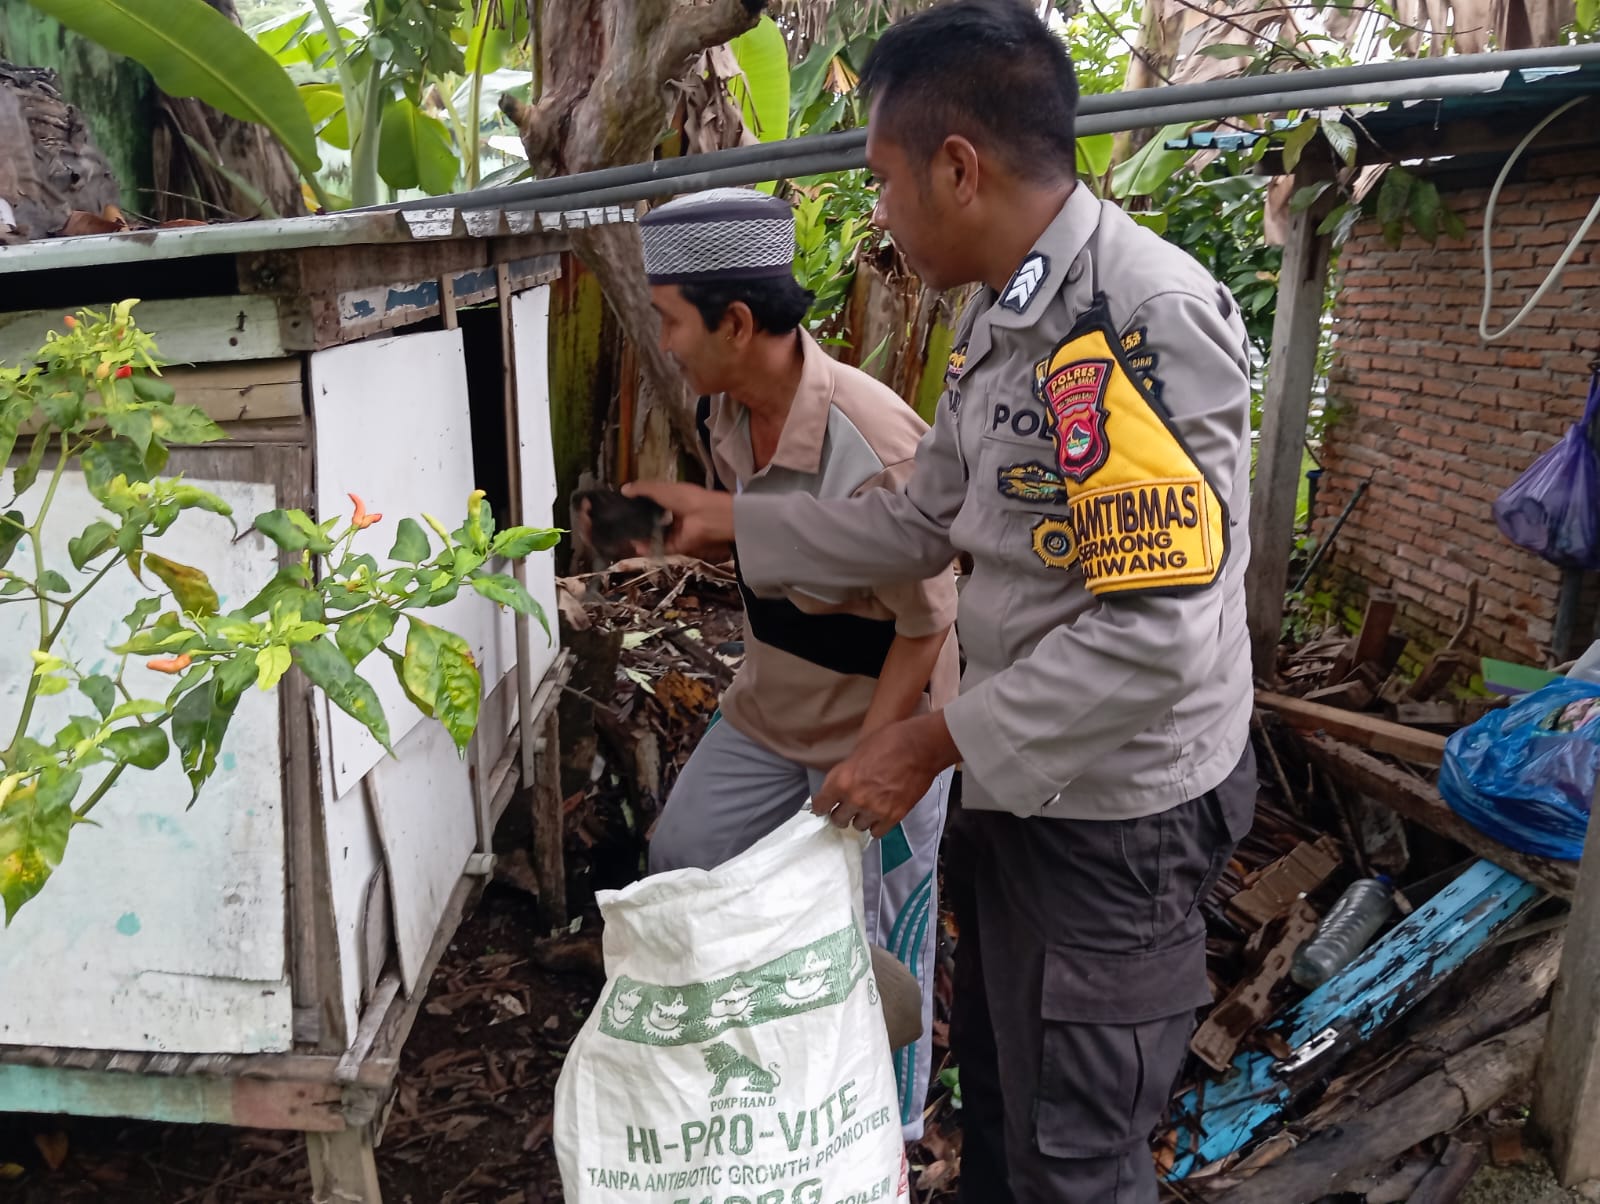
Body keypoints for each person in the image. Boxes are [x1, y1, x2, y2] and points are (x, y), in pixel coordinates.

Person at [624, 2, 1259, 1201]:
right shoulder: (1003, 312)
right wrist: (735, 521)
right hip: (1018, 776)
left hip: (1116, 810)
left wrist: (923, 741)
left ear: (957, 168)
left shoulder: (1137, 319)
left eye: (880, 179)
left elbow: (1155, 636)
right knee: (1004, 1095)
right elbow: (924, 520)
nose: (876, 212)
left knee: (1076, 1149)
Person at [624, 187, 960, 1143]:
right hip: (770, 708)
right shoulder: (724, 413)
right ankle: (753, 1059)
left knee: (876, 934)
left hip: (881, 720)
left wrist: (874, 756)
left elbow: (930, 623)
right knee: (684, 856)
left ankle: (887, 1135)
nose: (664, 343)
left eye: (671, 320)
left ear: (736, 322)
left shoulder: (875, 448)